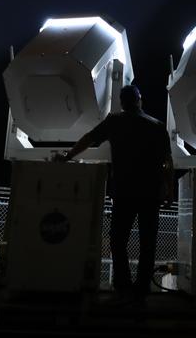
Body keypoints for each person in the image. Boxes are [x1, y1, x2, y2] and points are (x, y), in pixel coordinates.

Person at [60, 84, 172, 300]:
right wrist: (169, 189)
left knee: (118, 241)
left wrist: (68, 155)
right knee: (148, 243)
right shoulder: (157, 126)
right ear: (139, 100)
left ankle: (123, 285)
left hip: (124, 192)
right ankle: (142, 288)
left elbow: (89, 138)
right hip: (150, 193)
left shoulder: (114, 122)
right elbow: (167, 162)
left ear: (122, 102)